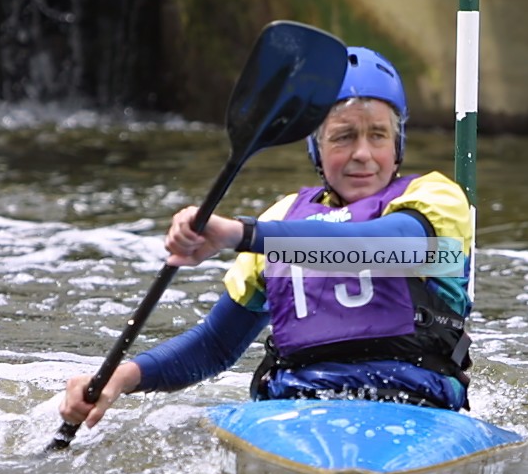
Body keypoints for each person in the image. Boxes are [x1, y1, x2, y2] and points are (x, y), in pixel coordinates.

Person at [59, 47, 474, 432]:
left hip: (415, 407)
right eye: (343, 136)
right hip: (295, 410)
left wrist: (241, 234)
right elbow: (217, 345)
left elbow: (378, 245)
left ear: (397, 143)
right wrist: (121, 378)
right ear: (316, 147)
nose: (363, 153)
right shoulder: (282, 218)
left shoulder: (434, 200)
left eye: (378, 135)